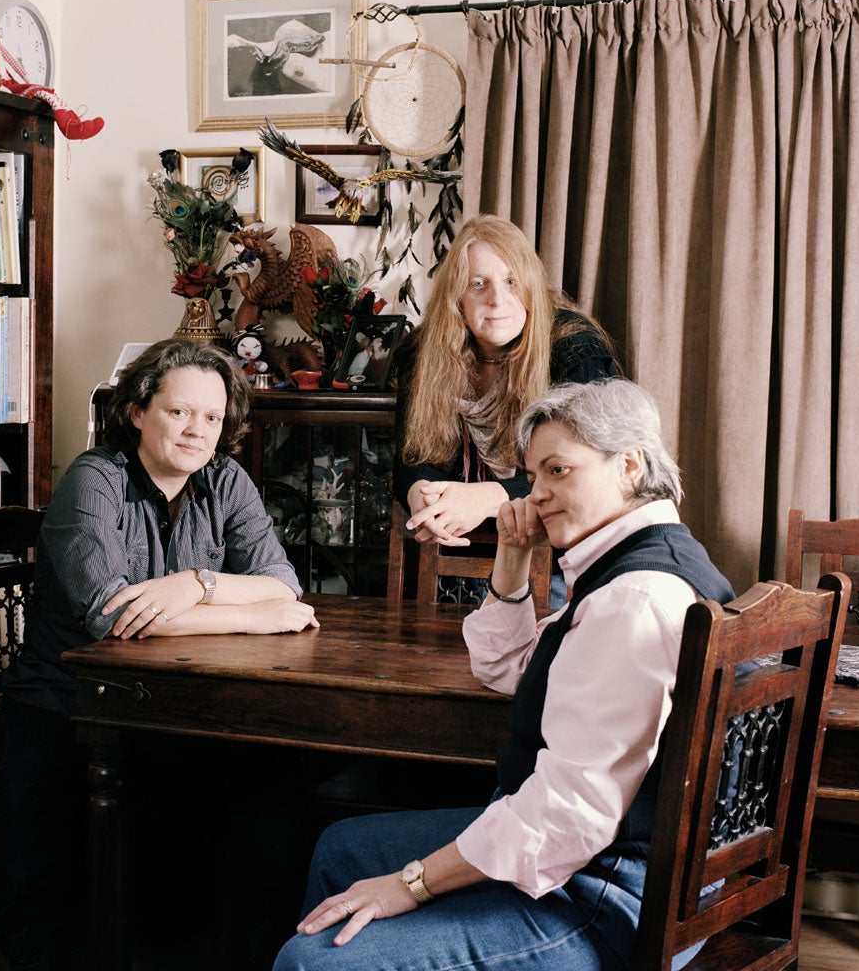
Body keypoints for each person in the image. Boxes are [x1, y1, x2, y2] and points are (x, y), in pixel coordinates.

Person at [273, 377, 734, 971]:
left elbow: (568, 818)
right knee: (342, 848)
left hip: (607, 899)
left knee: (312, 961)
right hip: (608, 861)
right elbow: (505, 668)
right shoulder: (644, 560)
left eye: (558, 470)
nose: (535, 494)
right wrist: (514, 552)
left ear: (629, 465)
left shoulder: (633, 599)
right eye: (533, 475)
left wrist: (411, 884)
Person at [0, 337, 317, 969]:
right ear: (138, 412)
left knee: (269, 793)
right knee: (57, 933)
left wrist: (197, 583)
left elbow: (283, 582)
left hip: (168, 707)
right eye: (179, 412)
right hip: (66, 709)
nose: (198, 430)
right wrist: (250, 617)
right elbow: (114, 616)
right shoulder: (94, 479)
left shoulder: (225, 480)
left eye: (213, 417)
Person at [393, 214, 618, 549]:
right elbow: (410, 457)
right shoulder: (422, 351)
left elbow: (585, 469)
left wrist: (486, 498)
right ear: (457, 298)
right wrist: (422, 495)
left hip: (565, 548)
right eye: (478, 284)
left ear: (530, 287)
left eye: (511, 281)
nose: (497, 299)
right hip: (463, 544)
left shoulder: (575, 348)